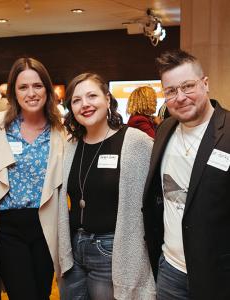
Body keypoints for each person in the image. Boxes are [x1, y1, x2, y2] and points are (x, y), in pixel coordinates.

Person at [58, 72, 156, 300]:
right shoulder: (71, 146)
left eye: (92, 96)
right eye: (76, 100)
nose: (85, 104)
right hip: (74, 249)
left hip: (112, 251)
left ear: (107, 99)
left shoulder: (135, 141)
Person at [142, 49, 230, 300]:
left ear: (205, 84)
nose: (180, 97)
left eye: (188, 86)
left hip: (218, 275)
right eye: (170, 91)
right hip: (170, 270)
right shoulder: (164, 129)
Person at [0, 57, 64, 300]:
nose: (31, 93)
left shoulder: (61, 132)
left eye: (37, 86)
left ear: (47, 89)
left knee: (42, 293)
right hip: (8, 229)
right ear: (14, 92)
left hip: (46, 227)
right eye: (23, 87)